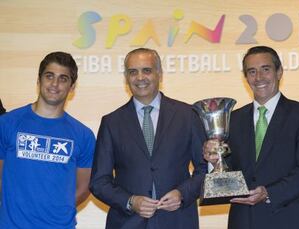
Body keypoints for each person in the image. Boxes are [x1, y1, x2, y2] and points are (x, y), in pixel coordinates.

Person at [204, 46, 299, 229]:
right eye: (252, 72)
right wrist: (213, 161)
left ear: (279, 72)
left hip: (289, 220)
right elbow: (230, 170)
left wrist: (269, 192)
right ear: (246, 78)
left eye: (265, 69)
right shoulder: (232, 119)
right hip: (243, 221)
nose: (258, 77)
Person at [89, 48, 207, 229]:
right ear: (126, 78)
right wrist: (130, 201)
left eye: (147, 70)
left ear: (159, 73)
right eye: (133, 72)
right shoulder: (111, 122)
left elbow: (205, 167)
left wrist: (182, 194)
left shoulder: (188, 115)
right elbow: (99, 182)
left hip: (178, 221)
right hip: (127, 223)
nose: (140, 77)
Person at [0, 52, 95, 228]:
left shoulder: (83, 135)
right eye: (49, 76)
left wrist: (58, 208)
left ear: (72, 87)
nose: (55, 84)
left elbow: (85, 186)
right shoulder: (6, 124)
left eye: (63, 78)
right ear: (38, 80)